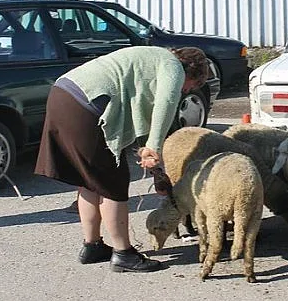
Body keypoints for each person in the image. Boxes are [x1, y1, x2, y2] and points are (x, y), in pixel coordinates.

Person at [35, 45, 209, 272]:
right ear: (191, 73)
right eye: (192, 86)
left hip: (63, 95)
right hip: (86, 104)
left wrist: (157, 172)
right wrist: (154, 149)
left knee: (90, 181)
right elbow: (164, 105)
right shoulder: (173, 66)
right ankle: (123, 254)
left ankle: (92, 246)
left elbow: (142, 120)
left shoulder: (153, 59)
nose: (186, 91)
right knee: (113, 182)